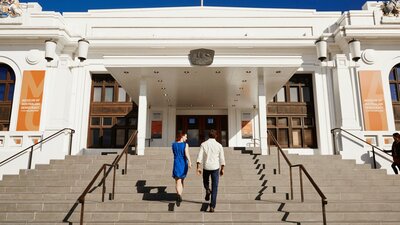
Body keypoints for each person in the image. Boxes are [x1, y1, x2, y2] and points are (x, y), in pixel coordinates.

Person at [196, 129, 225, 213]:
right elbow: (222, 158)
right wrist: (222, 168)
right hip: (215, 167)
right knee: (215, 187)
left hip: (206, 167)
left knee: (205, 181)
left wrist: (198, 167)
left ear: (208, 136)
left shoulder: (203, 144)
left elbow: (200, 156)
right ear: (216, 136)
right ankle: (212, 206)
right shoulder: (219, 145)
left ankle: (207, 189)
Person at [172, 133, 192, 205]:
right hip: (183, 163)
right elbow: (187, 154)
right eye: (186, 137)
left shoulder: (173, 144)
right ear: (182, 136)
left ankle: (178, 194)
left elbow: (175, 153)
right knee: (181, 180)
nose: (186, 138)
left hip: (176, 162)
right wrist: (189, 161)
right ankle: (179, 195)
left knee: (178, 180)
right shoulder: (185, 145)